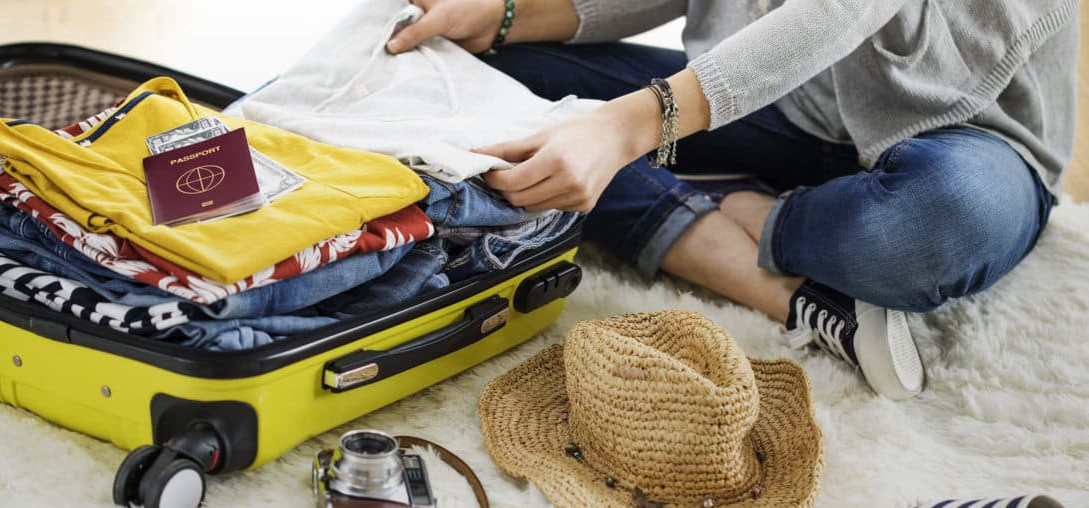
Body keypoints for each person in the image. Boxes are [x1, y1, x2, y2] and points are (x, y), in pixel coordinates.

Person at [384, 0, 1078, 400]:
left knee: (933, 227)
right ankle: (775, 277)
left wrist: (628, 125)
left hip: (971, 140)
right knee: (477, 78)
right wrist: (506, 15)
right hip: (789, 101)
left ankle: (753, 211)